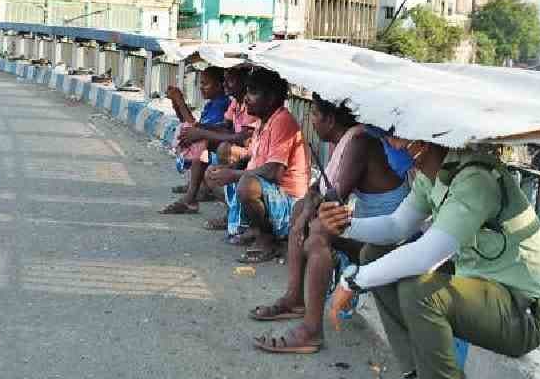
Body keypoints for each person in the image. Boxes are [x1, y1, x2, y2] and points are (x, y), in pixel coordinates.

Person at [316, 139, 540, 379]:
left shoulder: (476, 179)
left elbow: (428, 254)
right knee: (375, 254)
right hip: (485, 290)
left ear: (423, 141)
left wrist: (352, 282)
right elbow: (395, 226)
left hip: (522, 311)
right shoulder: (434, 174)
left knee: (421, 291)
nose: (389, 144)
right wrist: (345, 225)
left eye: (396, 137)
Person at [249, 96, 411, 354]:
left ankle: (311, 331)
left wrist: (308, 213)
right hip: (374, 233)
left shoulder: (360, 143)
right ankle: (294, 298)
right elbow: (317, 189)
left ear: (330, 119)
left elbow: (335, 198)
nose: (310, 121)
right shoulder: (344, 142)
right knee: (303, 209)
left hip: (388, 240)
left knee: (317, 234)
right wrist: (305, 211)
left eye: (314, 115)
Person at [205, 67, 309, 263]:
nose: (246, 98)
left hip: (290, 202)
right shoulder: (265, 121)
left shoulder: (282, 121)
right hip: (271, 193)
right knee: (213, 173)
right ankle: (253, 227)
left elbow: (274, 172)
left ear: (270, 98)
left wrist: (234, 175)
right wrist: (228, 170)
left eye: (253, 92)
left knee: (246, 185)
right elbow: (251, 158)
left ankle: (268, 239)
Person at [161, 66, 231, 214]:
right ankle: (196, 187)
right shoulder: (211, 104)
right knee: (188, 134)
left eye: (205, 84)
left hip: (219, 150)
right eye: (201, 83)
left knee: (199, 144)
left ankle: (194, 194)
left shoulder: (221, 104)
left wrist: (181, 102)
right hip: (214, 146)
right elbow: (191, 124)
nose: (201, 88)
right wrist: (176, 104)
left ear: (219, 86)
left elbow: (198, 129)